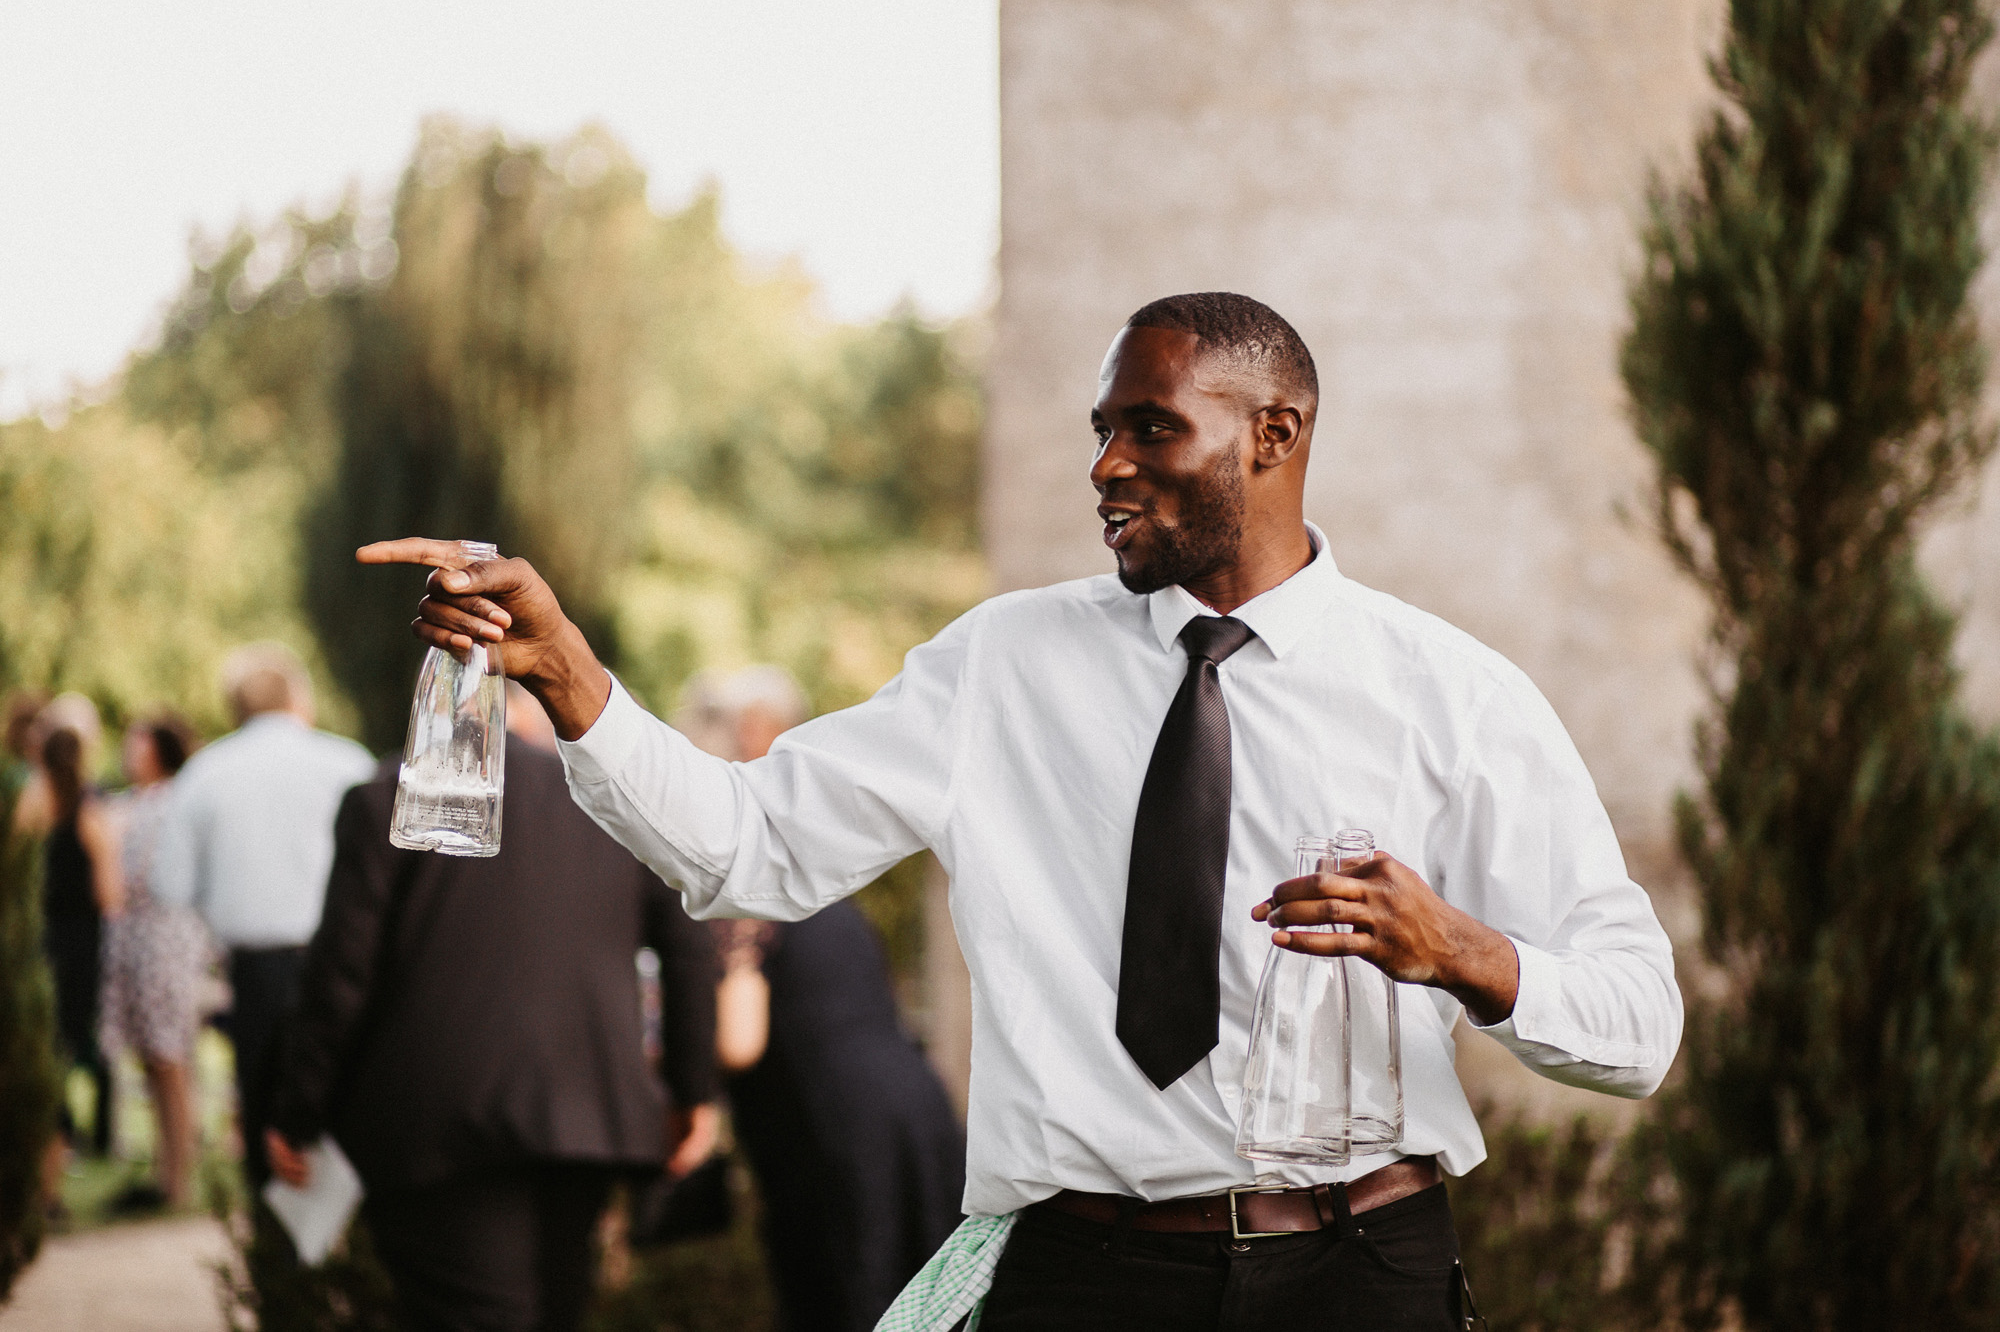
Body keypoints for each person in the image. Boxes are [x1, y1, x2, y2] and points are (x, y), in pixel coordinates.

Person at [364, 291, 1684, 1331]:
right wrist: (578, 681)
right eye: (1100, 430)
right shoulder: (1000, 666)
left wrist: (1465, 952)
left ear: (1274, 435)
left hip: (1361, 1278)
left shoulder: (1450, 694)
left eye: (1150, 427)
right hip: (1081, 1280)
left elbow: (1637, 1025)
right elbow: (743, 846)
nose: (1106, 465)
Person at [266, 684, 722, 1332]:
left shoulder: (393, 792)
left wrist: (298, 1110)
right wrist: (689, 1093)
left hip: (438, 1121)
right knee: (556, 1310)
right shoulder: (611, 804)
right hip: (585, 1115)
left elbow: (343, 969)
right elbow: (689, 949)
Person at [687, 666, 963, 1332]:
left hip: (834, 1134)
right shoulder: (810, 855)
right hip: (914, 1114)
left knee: (853, 1301)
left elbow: (738, 1036)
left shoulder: (745, 866)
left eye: (697, 724)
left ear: (750, 730)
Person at [151, 643, 375, 1188]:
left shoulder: (205, 773)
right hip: (345, 962)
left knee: (264, 1109)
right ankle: (345, 1253)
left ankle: (273, 1252)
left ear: (235, 706)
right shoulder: (349, 763)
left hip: (255, 971)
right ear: (299, 698)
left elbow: (170, 885)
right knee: (348, 1105)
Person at [100, 713, 209, 1211]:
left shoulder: (175, 801)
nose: (127, 751)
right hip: (136, 939)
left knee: (170, 1059)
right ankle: (165, 1169)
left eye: (135, 742)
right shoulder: (132, 803)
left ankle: (179, 1178)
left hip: (165, 938)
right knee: (151, 1059)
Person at [33, 711, 125, 1159]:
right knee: (83, 1045)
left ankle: (55, 1143)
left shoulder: (28, 806)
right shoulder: (90, 811)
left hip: (37, 942)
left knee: (47, 1047)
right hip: (81, 944)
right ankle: (90, 1139)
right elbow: (110, 894)